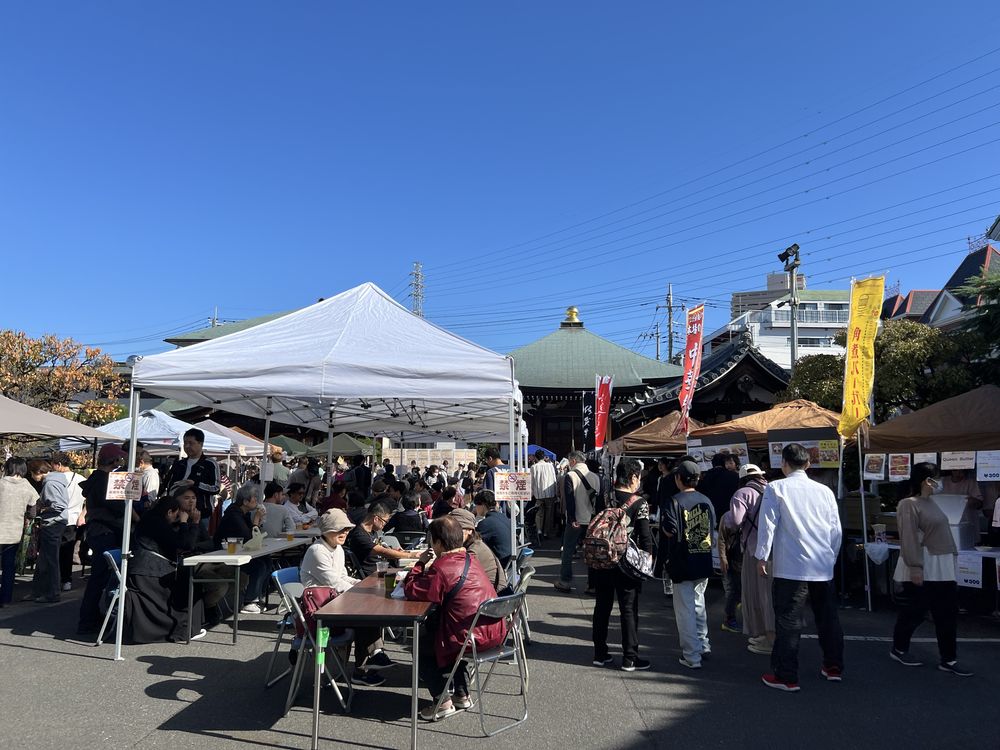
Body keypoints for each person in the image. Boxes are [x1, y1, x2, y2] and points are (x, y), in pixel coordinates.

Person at [755, 443, 844, 692]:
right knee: (828, 618)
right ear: (807, 464)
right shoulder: (824, 491)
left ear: (784, 463)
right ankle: (833, 665)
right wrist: (831, 557)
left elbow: (768, 525)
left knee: (788, 620)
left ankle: (786, 675)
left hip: (791, 566)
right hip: (822, 564)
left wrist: (762, 556)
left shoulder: (776, 488)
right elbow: (835, 529)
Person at [403, 516, 507, 721]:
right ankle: (461, 693)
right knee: (444, 635)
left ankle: (442, 702)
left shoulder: (443, 567)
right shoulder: (471, 558)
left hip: (469, 637)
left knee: (422, 644)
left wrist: (419, 564)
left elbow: (412, 589)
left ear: (439, 543)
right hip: (494, 631)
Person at [890, 462, 972, 676]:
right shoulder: (909, 504)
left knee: (946, 614)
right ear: (927, 480)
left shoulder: (931, 502)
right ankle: (899, 648)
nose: (941, 482)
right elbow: (908, 536)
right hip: (925, 564)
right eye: (937, 478)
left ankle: (949, 659)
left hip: (941, 564)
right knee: (914, 612)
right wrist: (915, 566)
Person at [301, 509, 394, 685]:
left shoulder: (337, 549)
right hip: (319, 612)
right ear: (327, 530)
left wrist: (362, 584)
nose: (344, 533)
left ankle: (370, 661)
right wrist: (364, 589)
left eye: (346, 529)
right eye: (339, 529)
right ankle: (366, 665)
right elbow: (334, 583)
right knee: (365, 616)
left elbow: (343, 577)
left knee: (369, 612)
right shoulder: (317, 551)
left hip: (334, 603)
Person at [591, 459, 653, 672]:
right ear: (634, 477)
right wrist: (648, 561)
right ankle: (630, 657)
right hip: (627, 563)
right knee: (628, 609)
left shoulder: (604, 497)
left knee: (602, 606)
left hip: (601, 559)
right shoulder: (639, 502)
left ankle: (600, 653)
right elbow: (645, 537)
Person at [125, 491, 208, 642]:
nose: (175, 519)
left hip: (141, 569)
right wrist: (187, 523)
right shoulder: (159, 523)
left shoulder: (149, 519)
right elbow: (183, 545)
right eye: (175, 515)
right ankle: (185, 629)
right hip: (151, 572)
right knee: (189, 585)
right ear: (169, 512)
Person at [663, 460, 716, 669]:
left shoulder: (674, 501)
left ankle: (691, 656)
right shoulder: (706, 500)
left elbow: (669, 530)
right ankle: (703, 644)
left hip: (682, 562)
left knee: (685, 609)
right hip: (703, 558)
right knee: (698, 603)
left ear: (678, 479)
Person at [76, 444, 129, 635]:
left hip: (97, 531)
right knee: (100, 578)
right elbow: (116, 508)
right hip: (106, 531)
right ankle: (88, 620)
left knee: (99, 578)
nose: (121, 462)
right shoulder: (104, 481)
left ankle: (91, 616)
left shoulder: (95, 479)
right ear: (113, 461)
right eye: (119, 459)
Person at [729, 463, 772, 653]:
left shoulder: (742, 493)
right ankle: (772, 634)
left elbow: (735, 521)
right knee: (770, 594)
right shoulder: (772, 488)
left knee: (754, 593)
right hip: (775, 549)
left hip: (753, 549)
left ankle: (763, 636)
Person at [213, 483, 270, 614]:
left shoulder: (242, 513)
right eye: (254, 498)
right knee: (259, 566)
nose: (256, 501)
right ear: (245, 501)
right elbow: (248, 537)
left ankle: (257, 595)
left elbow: (253, 536)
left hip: (237, 552)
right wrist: (256, 519)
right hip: (224, 554)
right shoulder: (233, 514)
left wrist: (257, 522)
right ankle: (249, 601)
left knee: (266, 561)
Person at [555, 451, 598, 593]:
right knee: (592, 552)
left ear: (573, 461)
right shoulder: (595, 477)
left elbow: (570, 500)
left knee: (568, 550)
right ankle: (592, 585)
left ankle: (565, 581)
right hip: (592, 519)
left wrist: (572, 518)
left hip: (576, 520)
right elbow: (600, 501)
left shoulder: (570, 476)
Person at [0, 458, 38, 606]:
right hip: (13, 533)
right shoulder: (27, 486)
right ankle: (5, 599)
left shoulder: (1, 483)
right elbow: (33, 513)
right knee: (9, 567)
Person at [346, 503, 420, 577]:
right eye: (385, 521)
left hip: (382, 570)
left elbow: (382, 548)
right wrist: (410, 555)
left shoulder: (373, 531)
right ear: (376, 519)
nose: (385, 524)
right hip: (372, 575)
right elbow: (382, 551)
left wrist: (396, 551)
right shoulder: (359, 535)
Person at [164, 429, 220, 523]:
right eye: (185, 443)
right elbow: (169, 485)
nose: (187, 446)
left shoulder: (210, 464)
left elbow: (216, 488)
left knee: (198, 536)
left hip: (201, 513)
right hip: (177, 513)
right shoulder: (179, 463)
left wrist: (195, 484)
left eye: (191, 443)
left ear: (201, 444)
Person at [449, 508, 507, 592]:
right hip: (487, 593)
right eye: (450, 530)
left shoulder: (473, 551)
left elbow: (455, 578)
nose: (453, 534)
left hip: (488, 597)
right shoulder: (475, 544)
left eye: (458, 530)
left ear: (469, 530)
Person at [472, 490, 513, 569]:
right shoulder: (503, 517)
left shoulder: (485, 523)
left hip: (499, 564)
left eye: (476, 505)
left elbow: (472, 542)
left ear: (482, 505)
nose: (475, 508)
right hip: (509, 559)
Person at [697, 453, 739, 524]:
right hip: (730, 514)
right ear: (724, 463)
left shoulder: (704, 477)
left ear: (713, 464)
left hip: (710, 515)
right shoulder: (735, 476)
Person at [717, 509, 742, 633]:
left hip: (746, 558)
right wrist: (723, 558)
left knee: (739, 591)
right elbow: (721, 539)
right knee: (733, 590)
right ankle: (729, 619)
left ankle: (734, 614)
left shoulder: (754, 513)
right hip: (732, 559)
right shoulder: (728, 516)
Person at [530, 450, 558, 540]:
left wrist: (532, 493)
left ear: (536, 457)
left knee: (539, 513)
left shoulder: (534, 467)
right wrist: (556, 493)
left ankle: (539, 530)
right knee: (549, 514)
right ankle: (546, 532)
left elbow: (531, 481)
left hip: (538, 494)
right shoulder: (550, 466)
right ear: (543, 456)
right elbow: (554, 479)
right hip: (550, 493)